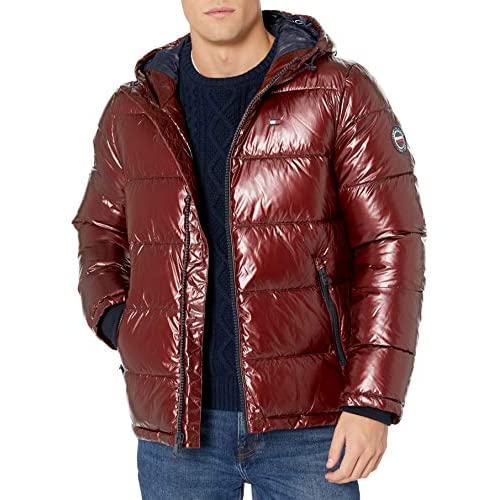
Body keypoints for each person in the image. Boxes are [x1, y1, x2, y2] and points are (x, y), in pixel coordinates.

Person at [71, 2, 426, 498]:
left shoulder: (340, 92)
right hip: (176, 430)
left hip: (313, 422)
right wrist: (123, 324)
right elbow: (98, 233)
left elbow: (390, 245)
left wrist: (371, 401)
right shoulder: (134, 110)